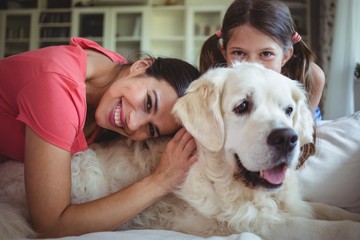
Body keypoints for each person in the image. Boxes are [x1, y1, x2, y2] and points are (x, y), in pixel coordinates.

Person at [0, 37, 200, 237]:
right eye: (148, 103)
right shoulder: (59, 90)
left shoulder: (114, 70)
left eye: (151, 129)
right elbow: (51, 224)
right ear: (141, 65)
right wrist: (161, 181)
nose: (132, 123)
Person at [199, 0, 325, 120]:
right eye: (239, 53)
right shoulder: (214, 81)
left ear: (286, 55)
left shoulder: (311, 76)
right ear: (224, 52)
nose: (252, 66)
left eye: (266, 53)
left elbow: (303, 136)